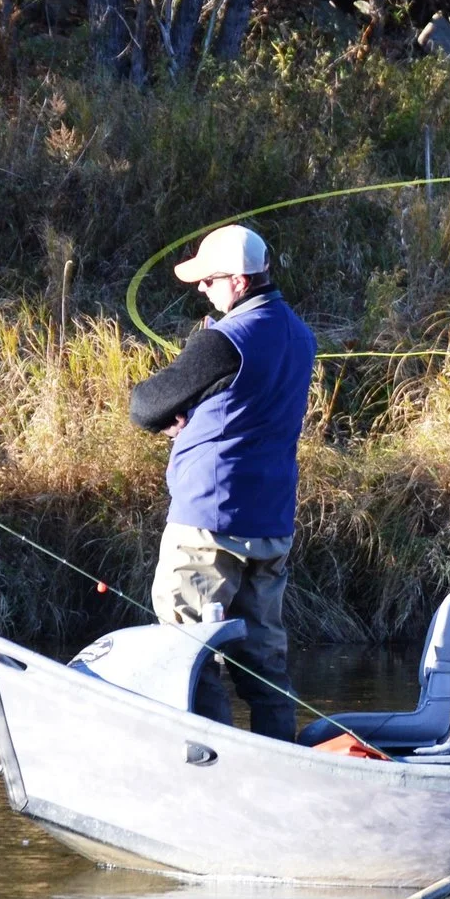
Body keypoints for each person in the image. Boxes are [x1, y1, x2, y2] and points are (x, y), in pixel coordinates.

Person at [128, 223, 317, 740]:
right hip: (272, 526)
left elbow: (144, 406)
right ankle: (277, 765)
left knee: (191, 654)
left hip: (208, 524)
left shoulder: (224, 341)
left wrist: (175, 412)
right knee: (264, 668)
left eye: (209, 280)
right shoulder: (302, 337)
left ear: (237, 280)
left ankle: (210, 765)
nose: (201, 289)